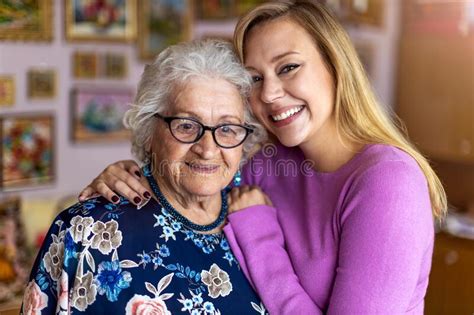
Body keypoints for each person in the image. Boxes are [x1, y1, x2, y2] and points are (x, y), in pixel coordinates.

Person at [79, 1, 447, 314]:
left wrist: (259, 235)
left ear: (336, 65)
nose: (270, 93)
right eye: (254, 78)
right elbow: (192, 191)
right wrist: (131, 176)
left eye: (288, 67)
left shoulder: (388, 181)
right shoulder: (267, 165)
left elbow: (252, 234)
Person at [22, 39, 269, 314]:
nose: (208, 150)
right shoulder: (85, 231)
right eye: (186, 126)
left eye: (227, 128)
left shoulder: (260, 222)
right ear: (149, 131)